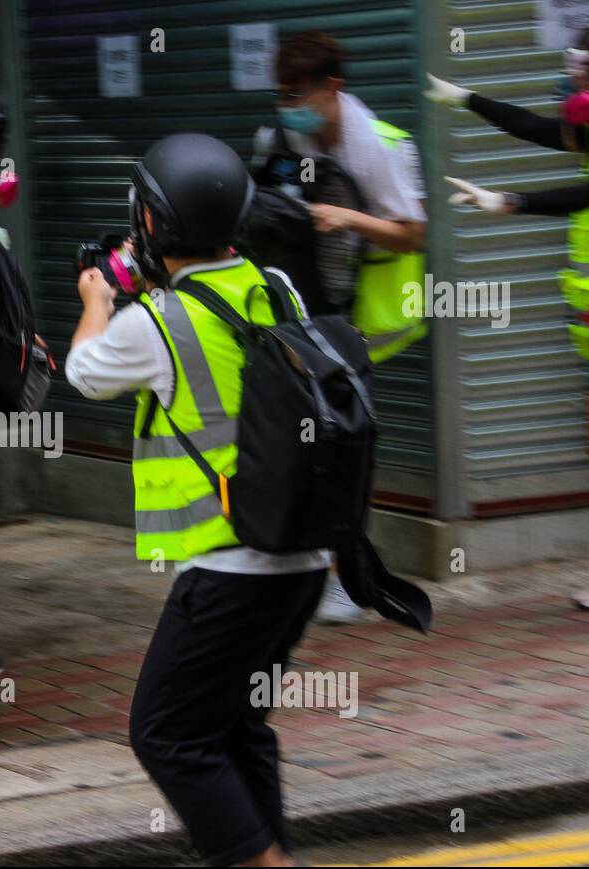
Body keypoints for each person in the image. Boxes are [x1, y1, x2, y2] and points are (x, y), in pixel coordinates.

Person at [66, 133, 330, 866]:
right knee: (237, 727)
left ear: (152, 223)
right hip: (302, 558)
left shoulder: (153, 323)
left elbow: (86, 371)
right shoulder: (276, 286)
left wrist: (96, 298)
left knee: (166, 733)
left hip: (230, 570)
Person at [435, 27, 589, 633]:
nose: (568, 87)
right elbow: (530, 127)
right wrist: (464, 98)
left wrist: (508, 202)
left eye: (576, 76)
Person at [251, 31, 428, 624]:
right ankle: (312, 567)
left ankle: (340, 578)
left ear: (334, 87)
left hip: (363, 313)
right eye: (281, 93)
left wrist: (347, 217)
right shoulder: (284, 135)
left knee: (336, 440)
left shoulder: (378, 145)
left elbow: (412, 231)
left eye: (298, 93)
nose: (289, 104)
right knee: (305, 437)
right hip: (305, 303)